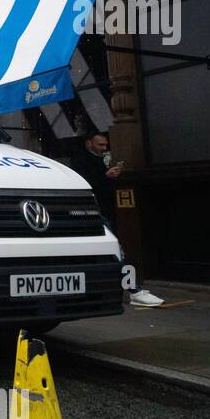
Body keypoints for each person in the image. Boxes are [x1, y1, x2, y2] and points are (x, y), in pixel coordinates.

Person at [71, 130, 163, 308]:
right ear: (89, 144)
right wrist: (105, 176)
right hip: (95, 210)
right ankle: (134, 290)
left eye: (105, 145)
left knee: (114, 251)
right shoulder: (81, 162)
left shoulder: (104, 159)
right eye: (100, 145)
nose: (104, 148)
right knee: (116, 252)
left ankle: (131, 289)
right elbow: (86, 184)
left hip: (104, 209)